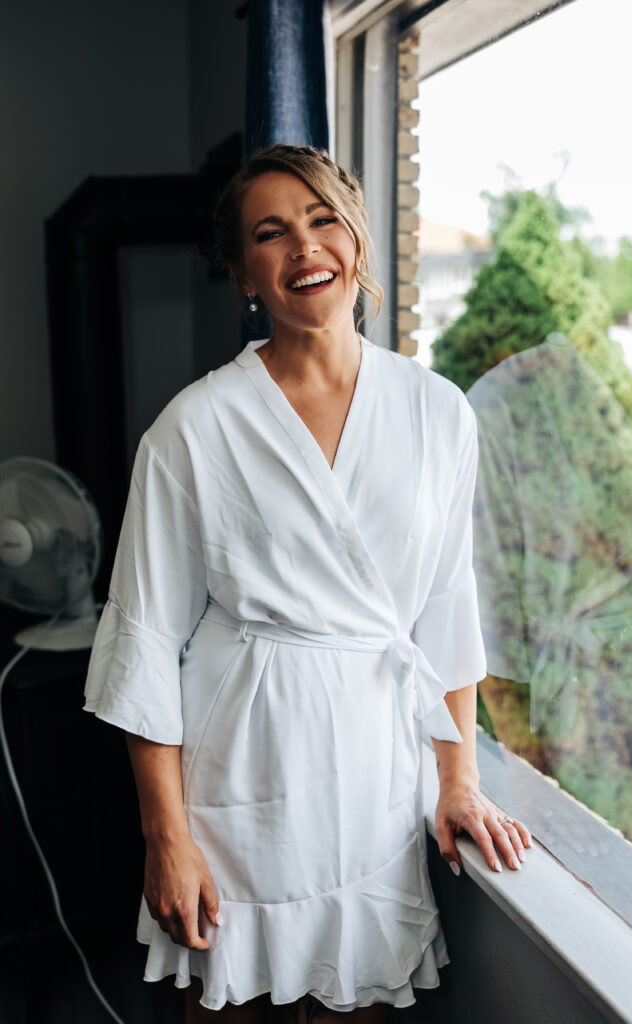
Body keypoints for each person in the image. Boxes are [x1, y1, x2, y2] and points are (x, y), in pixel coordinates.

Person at [83, 143, 532, 1023]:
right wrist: (165, 837)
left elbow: (445, 607)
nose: (304, 248)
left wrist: (456, 780)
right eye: (271, 232)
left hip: (373, 776)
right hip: (239, 773)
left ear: (357, 239)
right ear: (243, 272)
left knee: (355, 1006)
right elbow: (145, 639)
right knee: (228, 1008)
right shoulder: (195, 429)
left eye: (323, 219)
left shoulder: (437, 411)